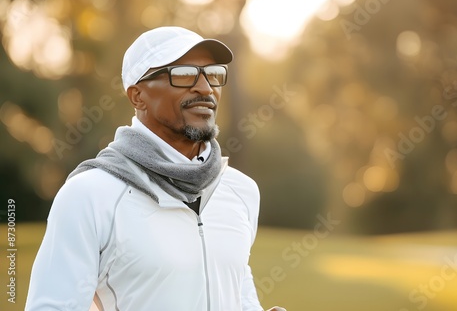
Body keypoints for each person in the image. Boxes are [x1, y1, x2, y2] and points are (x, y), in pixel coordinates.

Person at [25, 26, 286, 311]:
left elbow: (238, 291)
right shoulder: (90, 195)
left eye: (213, 74)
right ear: (138, 96)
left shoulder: (241, 190)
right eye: (184, 75)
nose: (205, 88)